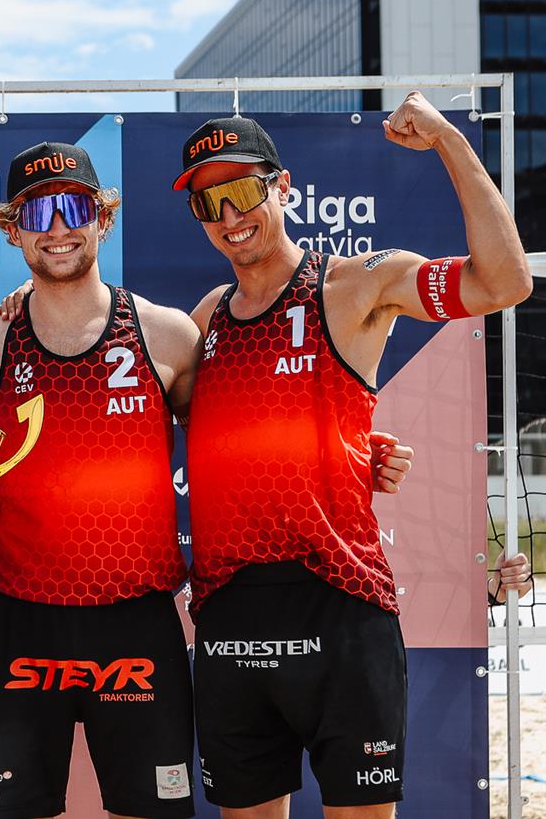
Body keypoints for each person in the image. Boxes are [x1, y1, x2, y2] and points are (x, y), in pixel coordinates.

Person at [0, 144, 416, 819]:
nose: (57, 226)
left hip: (137, 617)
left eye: (74, 206)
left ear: (104, 219)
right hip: (20, 616)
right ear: (12, 229)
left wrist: (354, 449)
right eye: (38, 211)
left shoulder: (172, 333)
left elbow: (241, 427)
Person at [180, 92, 532, 818]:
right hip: (230, 612)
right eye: (207, 203)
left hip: (341, 606)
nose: (228, 216)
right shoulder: (206, 317)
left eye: (242, 189)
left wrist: (448, 142)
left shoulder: (353, 284)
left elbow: (506, 281)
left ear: (282, 187)